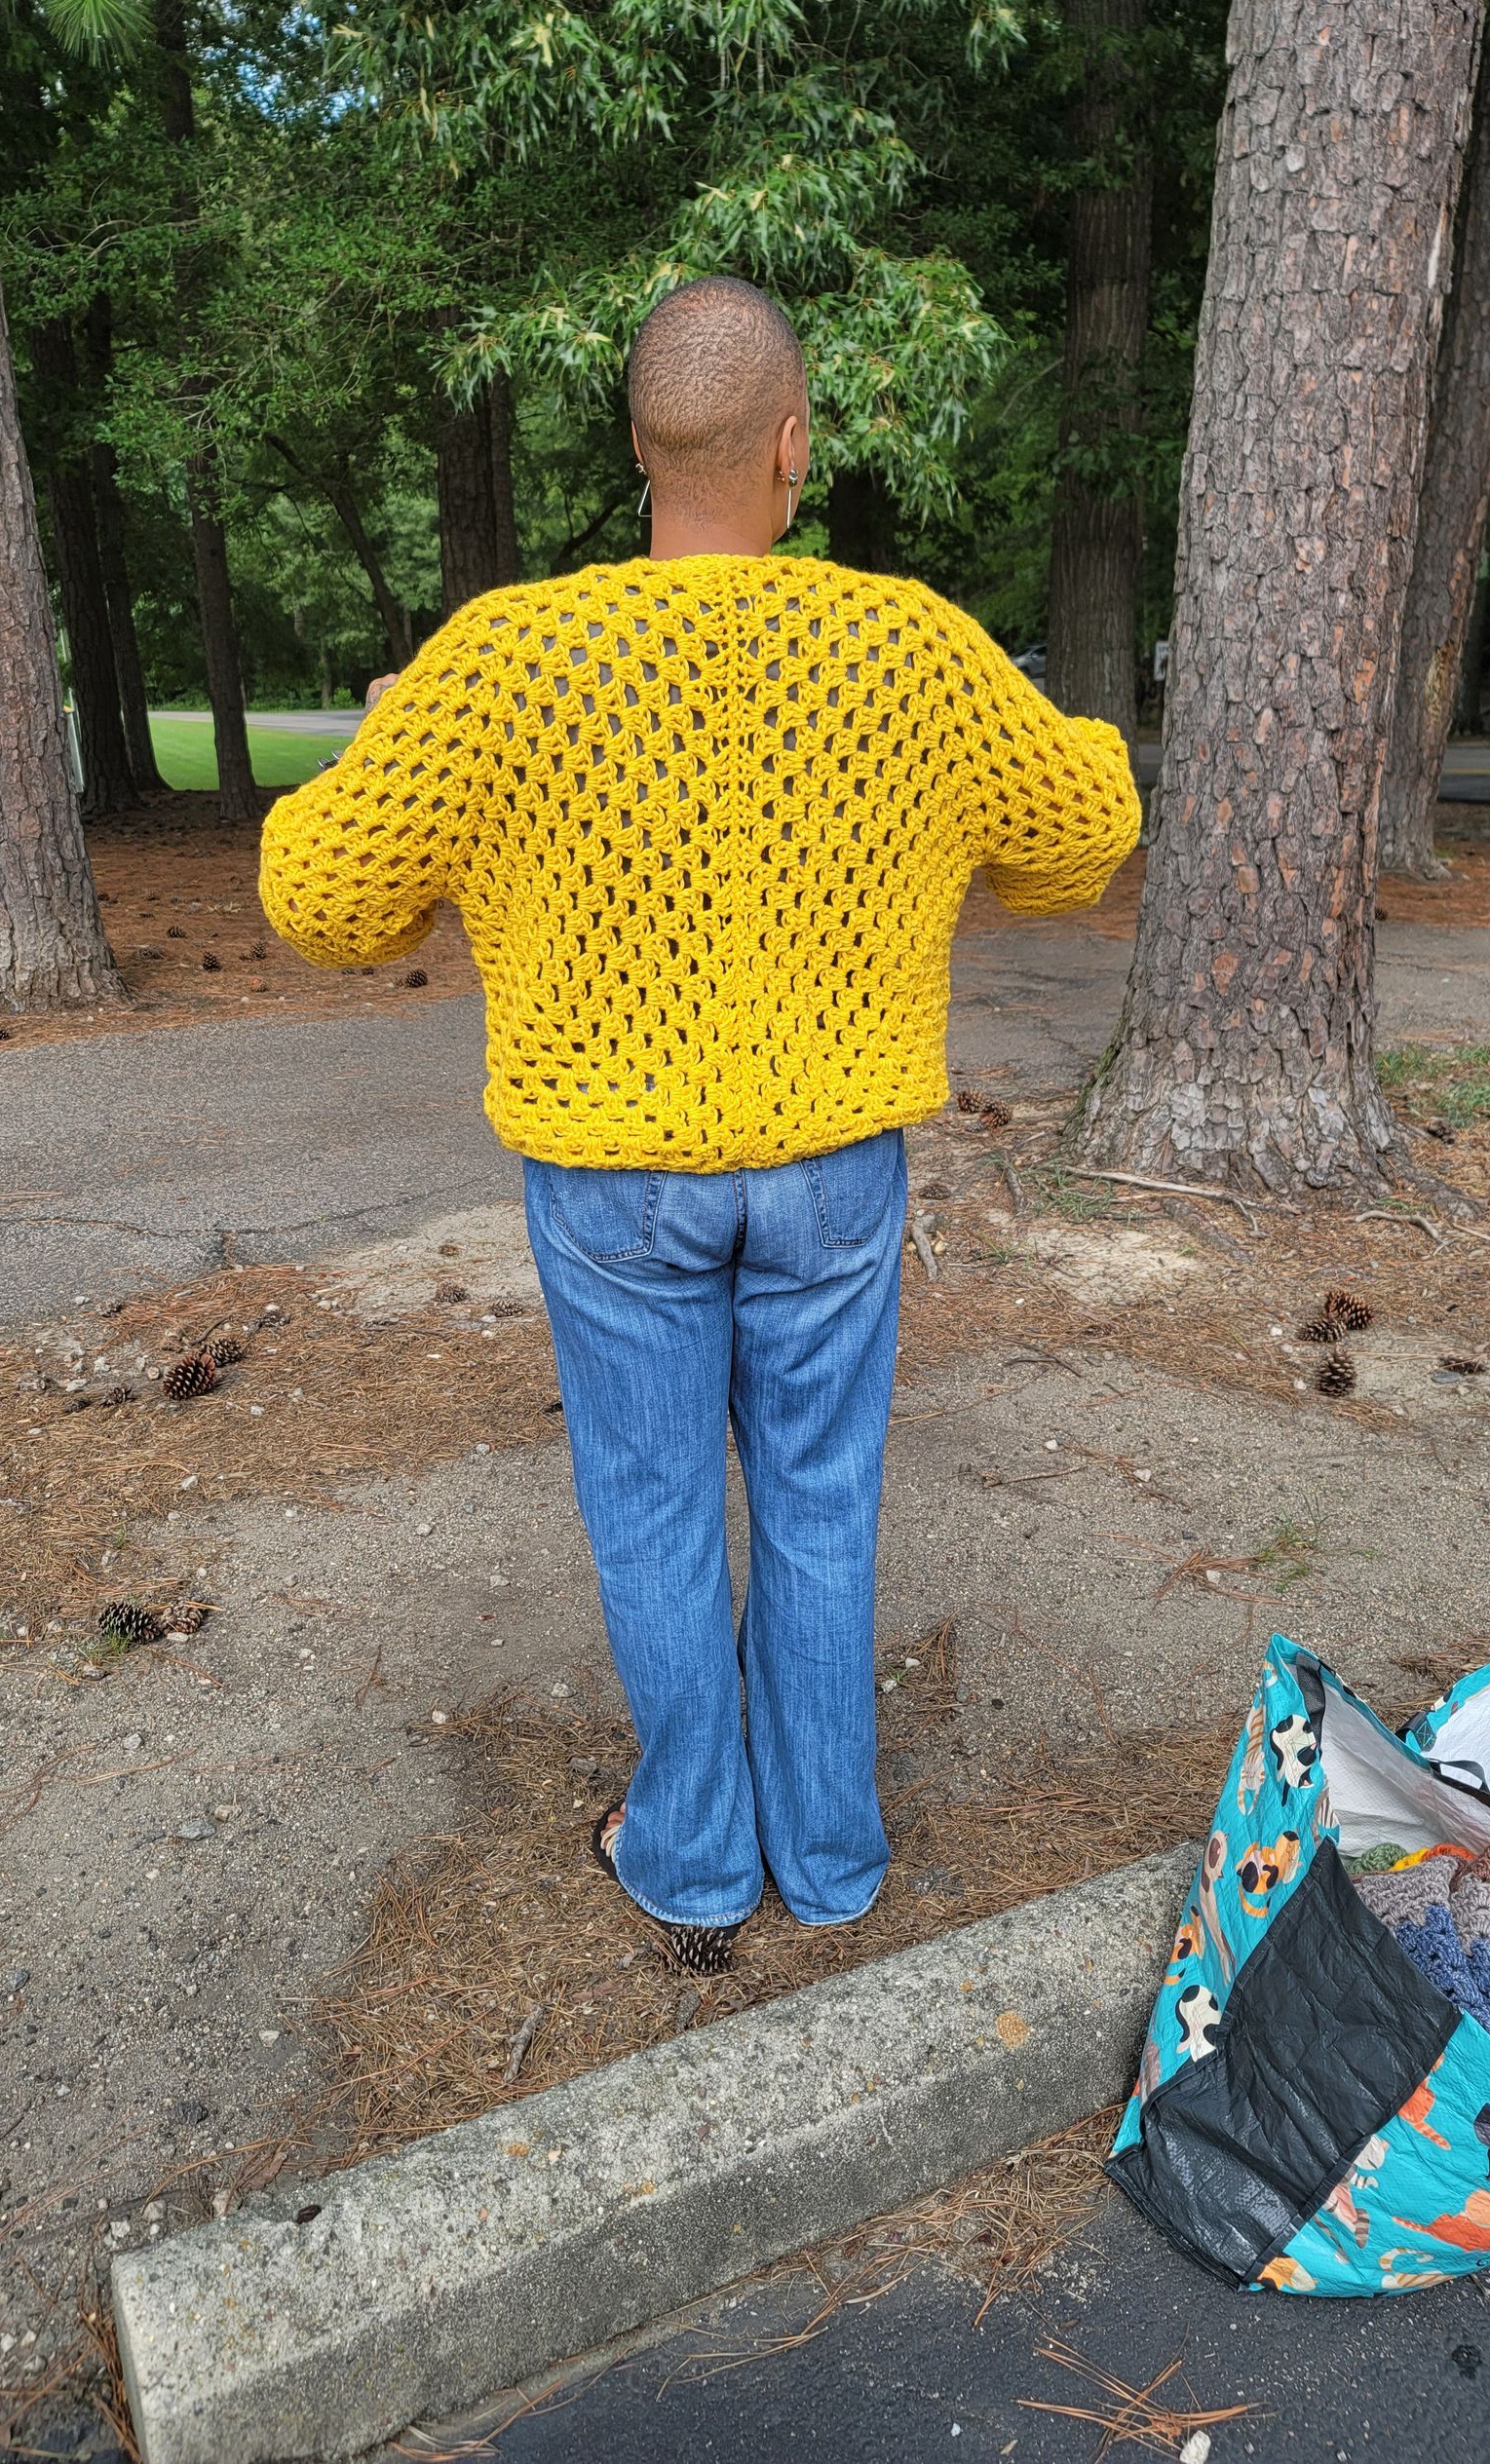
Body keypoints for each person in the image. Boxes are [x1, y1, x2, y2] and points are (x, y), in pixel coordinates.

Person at [259, 276, 1139, 1975]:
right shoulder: (911, 648)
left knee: (653, 1507)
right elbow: (1087, 827)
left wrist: (392, 740)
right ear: (789, 442)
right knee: (822, 1499)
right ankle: (827, 1856)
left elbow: (322, 896)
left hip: (608, 1175)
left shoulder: (499, 661)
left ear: (644, 446)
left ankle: (689, 1856)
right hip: (831, 1171)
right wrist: (941, 846)